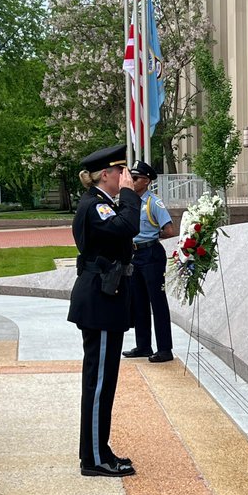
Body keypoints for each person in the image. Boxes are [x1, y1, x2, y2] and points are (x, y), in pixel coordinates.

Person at [68, 144, 140, 477]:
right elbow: (127, 229)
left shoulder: (105, 205)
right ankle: (94, 458)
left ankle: (99, 448)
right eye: (121, 171)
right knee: (98, 383)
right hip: (100, 300)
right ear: (106, 174)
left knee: (104, 381)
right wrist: (129, 195)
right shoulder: (96, 206)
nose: (125, 176)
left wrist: (126, 197)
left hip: (105, 299)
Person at [122, 160, 175, 363]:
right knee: (139, 301)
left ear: (146, 181)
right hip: (134, 255)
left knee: (157, 302)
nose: (131, 181)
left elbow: (169, 230)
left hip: (151, 253)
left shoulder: (154, 202)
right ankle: (143, 346)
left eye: (135, 178)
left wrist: (152, 237)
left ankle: (165, 349)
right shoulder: (129, 201)